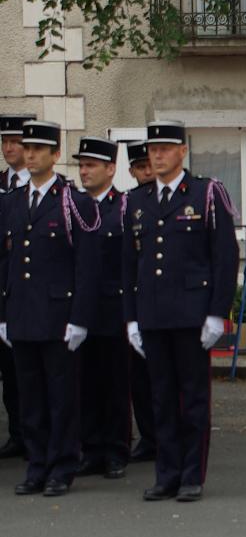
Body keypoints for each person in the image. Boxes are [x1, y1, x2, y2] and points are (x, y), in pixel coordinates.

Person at [122, 120, 238, 503]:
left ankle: (191, 474)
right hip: (153, 313)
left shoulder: (206, 193)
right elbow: (129, 265)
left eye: (166, 149)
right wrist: (132, 317)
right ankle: (166, 473)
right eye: (153, 150)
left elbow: (224, 257)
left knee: (193, 399)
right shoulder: (136, 201)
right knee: (161, 399)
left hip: (191, 314)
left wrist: (216, 312)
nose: (157, 156)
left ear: (183, 152)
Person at [0, 121, 100, 496]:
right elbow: (6, 263)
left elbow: (86, 267)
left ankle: (62, 466)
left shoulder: (74, 201)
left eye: (39, 149)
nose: (30, 154)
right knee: (30, 397)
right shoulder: (11, 202)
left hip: (59, 316)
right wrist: (4, 314)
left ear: (55, 155)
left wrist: (80, 320)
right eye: (27, 148)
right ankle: (37, 464)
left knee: (60, 397)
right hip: (23, 313)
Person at [74, 137, 130, 480]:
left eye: (91, 165)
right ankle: (90, 448)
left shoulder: (123, 206)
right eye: (81, 165)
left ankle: (115, 450)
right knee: (84, 383)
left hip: (112, 308)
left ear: (110, 169)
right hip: (79, 310)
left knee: (114, 384)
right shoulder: (73, 206)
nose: (84, 171)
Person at [125, 141, 157, 463]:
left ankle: (169, 435)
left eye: (149, 164)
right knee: (140, 381)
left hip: (165, 303)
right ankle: (148, 435)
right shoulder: (128, 204)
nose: (146, 171)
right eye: (140, 167)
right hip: (138, 300)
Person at [0, 114, 29, 461]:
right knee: (9, 372)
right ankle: (18, 433)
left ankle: (37, 435)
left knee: (28, 371)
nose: (8, 148)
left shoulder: (37, 188)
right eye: (4, 142)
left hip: (25, 291)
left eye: (15, 142)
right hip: (1, 291)